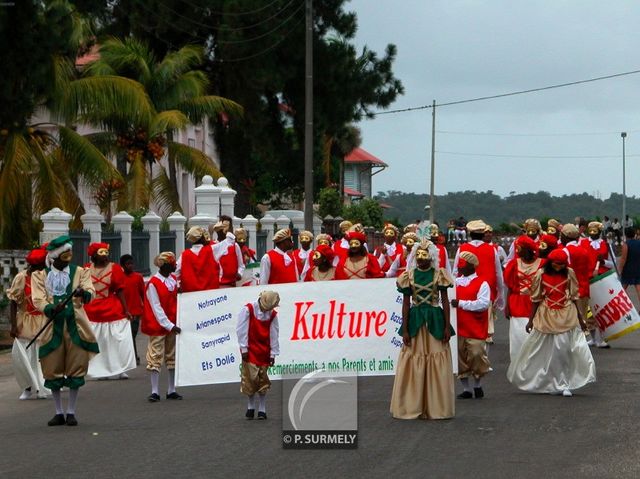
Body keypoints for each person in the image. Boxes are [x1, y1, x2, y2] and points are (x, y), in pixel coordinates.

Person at [507, 249, 596, 397]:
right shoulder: (541, 274)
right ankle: (549, 381)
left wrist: (581, 319)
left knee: (564, 351)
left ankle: (565, 383)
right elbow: (535, 299)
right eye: (556, 264)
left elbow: (574, 298)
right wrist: (530, 321)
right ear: (550, 262)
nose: (559, 267)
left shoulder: (569, 273)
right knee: (544, 351)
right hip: (545, 316)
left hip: (567, 315)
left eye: (562, 264)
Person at [31, 235, 99, 426]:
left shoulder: (80, 272)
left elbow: (90, 291)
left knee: (75, 368)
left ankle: (71, 411)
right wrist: (51, 308)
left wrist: (82, 293)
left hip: (76, 326)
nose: (68, 257)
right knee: (52, 369)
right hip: (51, 328)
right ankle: (58, 411)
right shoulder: (40, 276)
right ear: (55, 257)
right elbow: (38, 299)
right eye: (64, 254)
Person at [390, 239, 455, 419]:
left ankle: (436, 407)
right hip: (416, 319)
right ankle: (413, 405)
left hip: (435, 319)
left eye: (424, 256)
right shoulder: (408, 276)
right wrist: (404, 329)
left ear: (431, 257)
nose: (420, 259)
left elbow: (445, 302)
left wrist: (448, 326)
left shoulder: (439, 274)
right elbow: (405, 304)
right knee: (414, 358)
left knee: (436, 358)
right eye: (418, 255)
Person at [83, 243, 136, 380]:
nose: (105, 256)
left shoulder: (115, 268)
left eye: (106, 253)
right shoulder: (86, 269)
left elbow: (119, 290)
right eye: (102, 253)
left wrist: (126, 310)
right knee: (98, 341)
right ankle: (100, 370)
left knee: (116, 340)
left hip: (112, 308)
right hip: (92, 310)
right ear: (94, 255)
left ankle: (120, 368)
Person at [7, 246, 49, 400]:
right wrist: (13, 325)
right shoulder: (21, 277)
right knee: (21, 356)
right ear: (34, 265)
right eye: (42, 265)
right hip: (25, 321)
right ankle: (27, 387)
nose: (44, 267)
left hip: (43, 320)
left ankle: (42, 386)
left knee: (40, 356)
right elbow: (13, 302)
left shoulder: (46, 277)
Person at [142, 252, 182, 402]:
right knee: (155, 356)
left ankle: (171, 389)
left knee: (172, 355)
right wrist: (169, 325)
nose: (175, 265)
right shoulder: (153, 283)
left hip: (172, 324)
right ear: (165, 265)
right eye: (172, 263)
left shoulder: (172, 280)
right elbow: (156, 308)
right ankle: (154, 390)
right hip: (159, 326)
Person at [451, 251, 491, 399]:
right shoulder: (455, 282)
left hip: (475, 326)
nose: (459, 268)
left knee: (476, 355)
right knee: (460, 358)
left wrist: (461, 304)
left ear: (471, 266)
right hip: (459, 326)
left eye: (462, 265)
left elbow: (483, 304)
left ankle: (478, 384)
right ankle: (467, 389)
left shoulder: (482, 283)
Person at [236, 290, 280, 420]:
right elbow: (241, 329)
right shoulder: (248, 310)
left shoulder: (272, 315)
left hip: (264, 350)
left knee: (263, 379)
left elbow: (274, 334)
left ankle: (262, 408)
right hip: (251, 349)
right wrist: (244, 349)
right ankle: (250, 405)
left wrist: (273, 353)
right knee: (250, 379)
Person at [503, 236, 542, 363]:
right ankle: (519, 366)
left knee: (535, 339)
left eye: (519, 248)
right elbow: (510, 287)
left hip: (537, 305)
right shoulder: (514, 264)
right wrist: (507, 306)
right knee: (518, 337)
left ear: (527, 249)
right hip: (517, 304)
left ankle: (535, 367)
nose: (517, 251)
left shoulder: (542, 263)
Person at [561, 224, 597, 345]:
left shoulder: (565, 251)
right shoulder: (584, 250)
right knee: (583, 319)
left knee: (572, 322)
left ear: (565, 237)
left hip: (571, 292)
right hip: (585, 289)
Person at [176, 226, 220, 292]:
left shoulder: (184, 255)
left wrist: (178, 285)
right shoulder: (211, 250)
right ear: (202, 238)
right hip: (211, 296)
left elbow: (175, 272)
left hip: (191, 295)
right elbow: (228, 242)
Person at [120, 254, 145, 365]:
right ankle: (133, 357)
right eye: (127, 264)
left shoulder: (138, 277)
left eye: (131, 263)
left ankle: (133, 356)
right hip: (123, 312)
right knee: (127, 336)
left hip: (136, 311)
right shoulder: (119, 277)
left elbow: (143, 293)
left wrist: (145, 307)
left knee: (132, 334)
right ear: (123, 265)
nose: (130, 266)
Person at [211, 216, 245, 288]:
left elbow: (241, 265)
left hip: (231, 286)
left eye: (228, 227)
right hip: (216, 287)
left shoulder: (235, 246)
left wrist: (239, 273)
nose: (226, 230)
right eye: (224, 226)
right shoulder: (212, 246)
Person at [619, 227, 640, 302]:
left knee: (621, 289)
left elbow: (623, 259)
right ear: (634, 234)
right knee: (638, 289)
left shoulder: (626, 244)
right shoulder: (639, 242)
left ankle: (627, 305)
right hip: (638, 269)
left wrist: (620, 270)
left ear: (626, 235)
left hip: (628, 270)